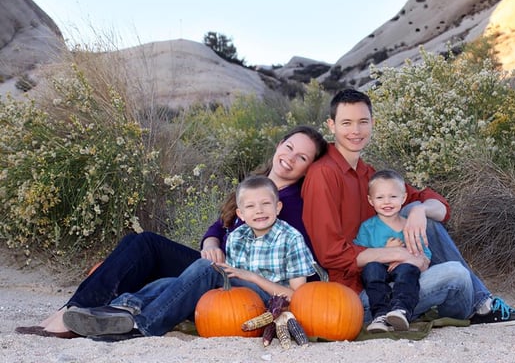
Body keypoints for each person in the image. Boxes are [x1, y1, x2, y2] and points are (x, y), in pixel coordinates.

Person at [15, 125, 328, 338]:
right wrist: (211, 241)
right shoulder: (253, 186)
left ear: (308, 167)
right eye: (289, 147)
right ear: (278, 146)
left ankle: (93, 318)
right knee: (141, 243)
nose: (290, 158)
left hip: (239, 281)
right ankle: (77, 312)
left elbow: (287, 263)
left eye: (302, 157)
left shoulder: (290, 204)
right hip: (219, 264)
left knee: (157, 253)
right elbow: (218, 225)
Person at [301, 88, 515, 327]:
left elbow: (440, 206)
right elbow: (330, 253)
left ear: (372, 123)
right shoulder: (324, 174)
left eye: (363, 121)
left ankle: (481, 304)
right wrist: (399, 254)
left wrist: (419, 210)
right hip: (358, 297)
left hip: (396, 280)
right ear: (331, 125)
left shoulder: (369, 175)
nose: (356, 131)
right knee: (456, 275)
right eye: (346, 123)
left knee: (421, 213)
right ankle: (481, 305)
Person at [61, 175, 316, 339]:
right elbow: (229, 283)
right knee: (174, 281)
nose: (259, 211)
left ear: (278, 207)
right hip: (235, 297)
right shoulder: (237, 237)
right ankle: (120, 309)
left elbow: (296, 296)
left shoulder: (290, 239)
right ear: (240, 212)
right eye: (250, 206)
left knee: (206, 268)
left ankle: (144, 325)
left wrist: (252, 277)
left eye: (265, 204)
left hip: (267, 305)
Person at [354, 169, 432, 333]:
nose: (387, 202)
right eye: (380, 197)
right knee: (372, 268)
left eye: (393, 197)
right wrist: (385, 252)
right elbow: (359, 254)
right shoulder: (368, 227)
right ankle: (380, 315)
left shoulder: (410, 227)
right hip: (378, 274)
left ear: (403, 198)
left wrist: (405, 258)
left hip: (403, 271)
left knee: (408, 271)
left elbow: (425, 258)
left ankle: (401, 310)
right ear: (370, 200)